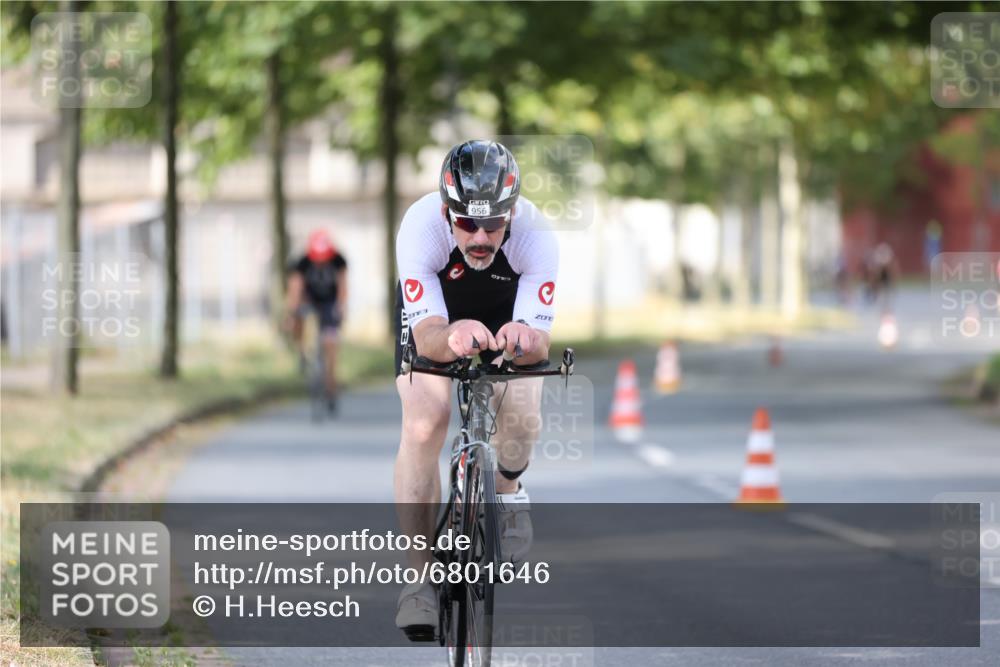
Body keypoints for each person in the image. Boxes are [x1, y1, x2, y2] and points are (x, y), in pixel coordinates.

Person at [392, 140, 559, 638]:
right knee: (425, 421)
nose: (481, 236)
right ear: (447, 212)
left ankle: (507, 492)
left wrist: (524, 337)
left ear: (512, 214)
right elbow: (427, 337)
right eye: (467, 224)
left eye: (493, 224)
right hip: (440, 315)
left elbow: (539, 339)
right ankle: (418, 581)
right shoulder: (419, 229)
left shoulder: (536, 236)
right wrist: (452, 336)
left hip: (506, 306)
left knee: (523, 409)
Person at [285, 229, 348, 411]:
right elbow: (295, 290)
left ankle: (330, 387)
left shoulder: (338, 261)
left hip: (329, 304)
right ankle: (302, 353)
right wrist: (291, 313)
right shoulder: (302, 263)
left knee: (331, 344)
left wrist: (341, 308)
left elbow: (343, 287)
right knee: (297, 319)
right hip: (309, 302)